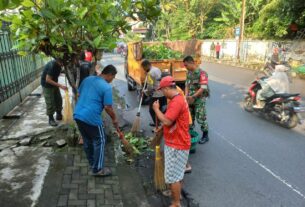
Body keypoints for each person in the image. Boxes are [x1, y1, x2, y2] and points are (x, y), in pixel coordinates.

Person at [74, 65, 119, 176]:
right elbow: (108, 107)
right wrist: (114, 118)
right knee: (100, 140)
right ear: (109, 75)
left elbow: (78, 94)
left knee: (87, 141)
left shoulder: (88, 79)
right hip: (91, 117)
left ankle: (92, 163)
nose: (111, 80)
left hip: (78, 114)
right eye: (112, 78)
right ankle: (98, 169)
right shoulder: (106, 87)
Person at [152, 76, 190, 207]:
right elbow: (171, 120)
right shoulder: (176, 98)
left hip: (177, 144)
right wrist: (162, 129)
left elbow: (167, 121)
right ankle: (177, 195)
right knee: (177, 174)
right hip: (177, 141)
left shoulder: (176, 101)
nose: (162, 93)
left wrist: (156, 109)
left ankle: (176, 203)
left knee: (173, 176)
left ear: (167, 88)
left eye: (162, 90)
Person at [183, 56, 210, 144]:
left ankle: (205, 136)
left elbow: (203, 88)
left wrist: (193, 97)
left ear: (191, 62)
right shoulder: (189, 73)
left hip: (199, 99)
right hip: (190, 99)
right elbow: (187, 85)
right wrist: (186, 96)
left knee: (200, 118)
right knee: (190, 117)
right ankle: (190, 134)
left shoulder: (202, 73)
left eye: (186, 65)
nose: (185, 67)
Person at [41, 58, 68, 126]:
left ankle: (58, 114)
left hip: (54, 83)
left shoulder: (59, 65)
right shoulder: (52, 66)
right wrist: (61, 86)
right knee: (50, 102)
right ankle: (51, 119)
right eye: (61, 63)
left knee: (58, 99)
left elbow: (57, 73)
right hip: (47, 85)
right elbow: (48, 80)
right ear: (57, 60)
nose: (62, 65)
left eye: (63, 63)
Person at [141, 59, 167, 127]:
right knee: (161, 109)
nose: (143, 69)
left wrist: (145, 92)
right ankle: (160, 122)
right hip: (163, 93)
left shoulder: (150, 73)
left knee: (152, 110)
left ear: (146, 66)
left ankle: (157, 124)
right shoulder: (157, 69)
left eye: (143, 68)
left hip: (156, 95)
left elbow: (150, 87)